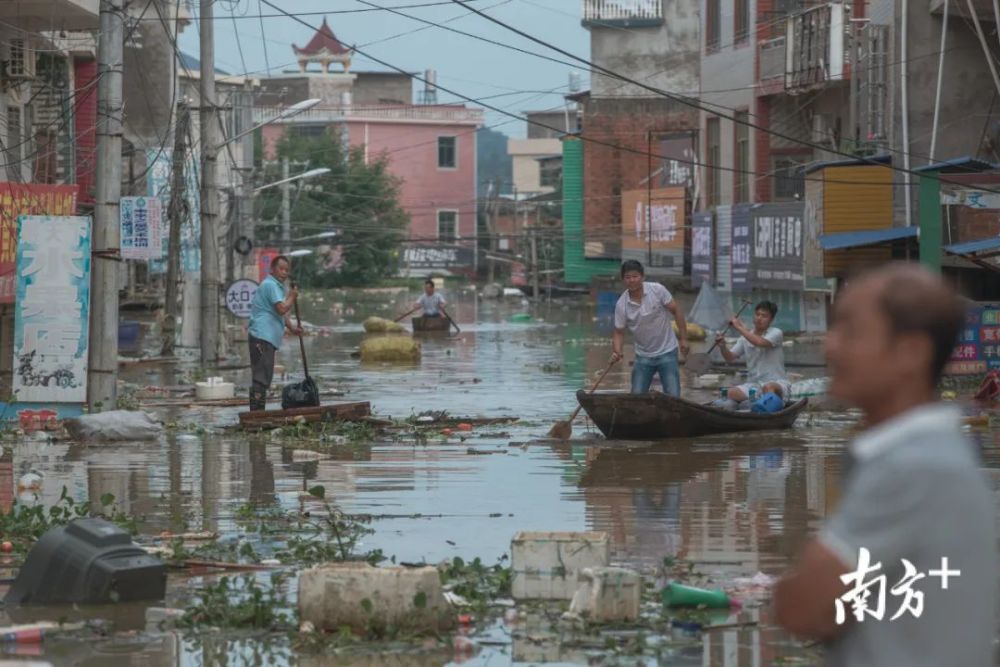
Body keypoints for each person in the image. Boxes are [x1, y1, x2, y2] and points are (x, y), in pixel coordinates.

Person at [773, 263, 997, 666]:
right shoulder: (931, 452)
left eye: (852, 332)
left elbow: (800, 609)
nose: (831, 347)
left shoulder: (913, 466)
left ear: (910, 352)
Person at [611, 260, 689, 396]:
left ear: (642, 277)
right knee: (636, 397)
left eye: (635, 276)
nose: (632, 280)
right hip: (643, 356)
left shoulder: (657, 290)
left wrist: (683, 339)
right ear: (623, 280)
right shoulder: (621, 305)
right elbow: (618, 332)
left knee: (673, 397)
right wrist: (617, 351)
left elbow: (676, 311)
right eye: (628, 277)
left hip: (667, 351)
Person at [247, 255, 303, 411]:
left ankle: (258, 412)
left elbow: (280, 314)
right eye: (281, 268)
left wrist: (292, 328)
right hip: (262, 336)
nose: (284, 272)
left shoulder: (276, 286)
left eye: (287, 270)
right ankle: (256, 415)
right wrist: (292, 296)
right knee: (261, 377)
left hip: (266, 337)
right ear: (272, 269)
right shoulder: (270, 285)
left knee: (265, 376)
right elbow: (282, 308)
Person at [716, 300, 791, 404]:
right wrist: (723, 347)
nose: (759, 318)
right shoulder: (745, 337)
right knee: (726, 393)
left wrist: (739, 327)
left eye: (764, 316)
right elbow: (730, 358)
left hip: (776, 383)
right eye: (757, 314)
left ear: (771, 320)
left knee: (768, 387)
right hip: (753, 385)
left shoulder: (776, 332)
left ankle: (766, 408)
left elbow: (759, 342)